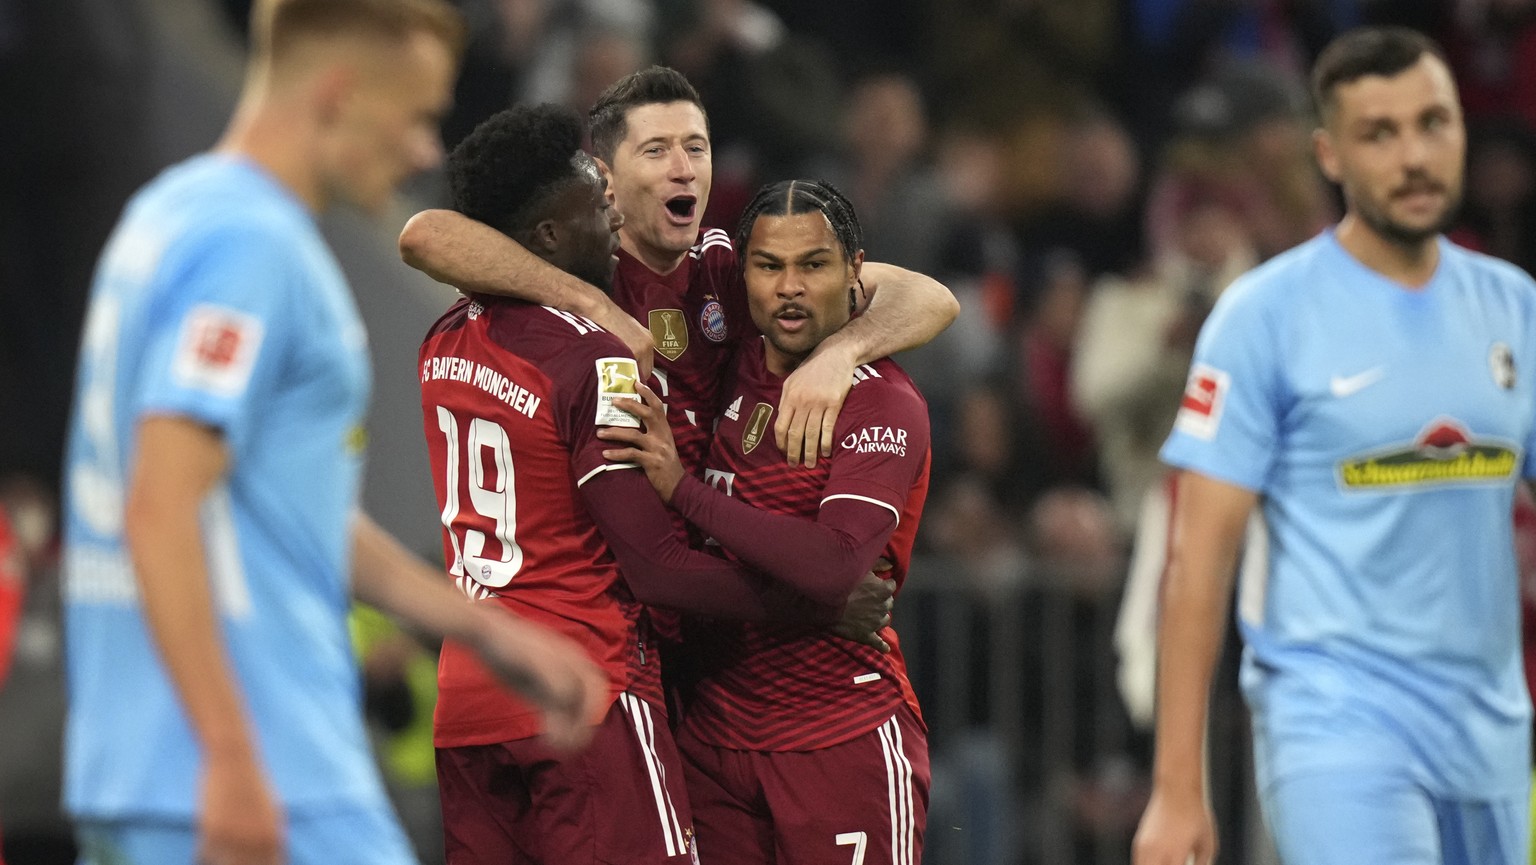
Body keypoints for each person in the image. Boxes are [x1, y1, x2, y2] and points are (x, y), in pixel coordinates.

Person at [60, 3, 606, 865]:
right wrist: (233, 758)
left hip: (143, 770)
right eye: (421, 115)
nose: (426, 151)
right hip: (265, 769)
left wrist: (485, 629)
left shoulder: (164, 217)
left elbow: (283, 502)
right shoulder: (252, 245)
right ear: (341, 95)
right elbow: (160, 503)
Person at [422, 105, 893, 865]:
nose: (610, 210)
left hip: (471, 700)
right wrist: (808, 603)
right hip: (585, 686)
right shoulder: (597, 360)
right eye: (592, 199)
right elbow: (657, 566)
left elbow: (433, 239)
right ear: (547, 236)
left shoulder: (443, 338)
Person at [1134, 26, 1535, 865]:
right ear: (1330, 155)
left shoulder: (1515, 310)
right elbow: (1197, 563)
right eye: (1379, 134)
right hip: (1336, 730)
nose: (1414, 156)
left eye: (1434, 124)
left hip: (1491, 736)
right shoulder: (1262, 317)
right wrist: (1177, 791)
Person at [398, 65, 958, 473]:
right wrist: (590, 303)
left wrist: (840, 355)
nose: (683, 169)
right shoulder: (574, 265)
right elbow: (425, 235)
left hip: (706, 572)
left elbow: (930, 298)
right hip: (615, 578)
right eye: (656, 151)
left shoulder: (727, 266)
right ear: (605, 172)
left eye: (696, 147)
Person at [601, 179, 932, 865]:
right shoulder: (733, 362)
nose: (789, 287)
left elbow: (834, 563)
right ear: (743, 274)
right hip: (714, 741)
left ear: (854, 272)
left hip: (840, 740)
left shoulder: (882, 402)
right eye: (769, 265)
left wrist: (684, 491)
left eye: (813, 265)